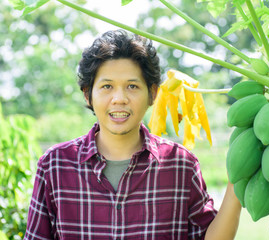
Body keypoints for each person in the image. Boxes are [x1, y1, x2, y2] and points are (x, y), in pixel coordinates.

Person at [24, 30, 242, 240]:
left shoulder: (181, 165)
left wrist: (236, 182)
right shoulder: (54, 165)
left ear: (153, 94)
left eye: (132, 86)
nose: (119, 98)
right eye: (107, 86)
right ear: (88, 94)